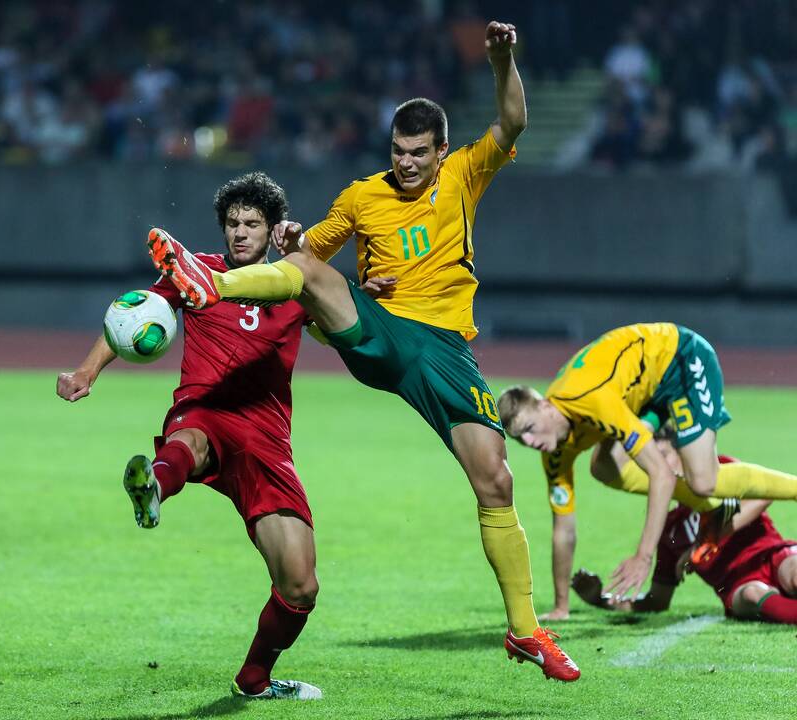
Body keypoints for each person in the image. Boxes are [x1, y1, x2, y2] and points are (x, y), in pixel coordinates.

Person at [145, 21, 580, 681]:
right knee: (317, 275)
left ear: (441, 151)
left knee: (496, 478)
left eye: (417, 153)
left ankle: (525, 632)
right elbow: (303, 264)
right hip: (381, 331)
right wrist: (297, 242)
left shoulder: (466, 173)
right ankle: (209, 283)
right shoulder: (360, 197)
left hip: (446, 352)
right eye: (398, 151)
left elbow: (514, 118)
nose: (405, 162)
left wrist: (502, 60)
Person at [57, 172, 321, 701]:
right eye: (232, 223)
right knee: (190, 441)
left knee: (300, 585)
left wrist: (377, 298)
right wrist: (87, 371)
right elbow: (133, 317)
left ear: (272, 230)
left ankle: (254, 679)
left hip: (265, 439)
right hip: (204, 409)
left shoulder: (295, 285)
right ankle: (153, 489)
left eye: (251, 223)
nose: (240, 233)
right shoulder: (194, 273)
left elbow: (345, 324)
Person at [498, 323, 797, 613]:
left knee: (704, 481)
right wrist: (561, 606)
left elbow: (662, 475)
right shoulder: (555, 451)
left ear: (547, 407)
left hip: (679, 358)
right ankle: (710, 509)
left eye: (530, 428)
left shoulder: (591, 401)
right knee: (604, 467)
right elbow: (563, 529)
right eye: (519, 438)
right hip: (644, 391)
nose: (529, 441)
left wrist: (643, 555)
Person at [572, 427, 797, 623]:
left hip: (772, 555)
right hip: (739, 586)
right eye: (647, 463)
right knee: (752, 595)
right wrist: (599, 599)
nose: (656, 468)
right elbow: (657, 601)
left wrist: (706, 542)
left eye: (663, 456)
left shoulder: (720, 472)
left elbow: (762, 496)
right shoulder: (669, 528)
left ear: (681, 452)